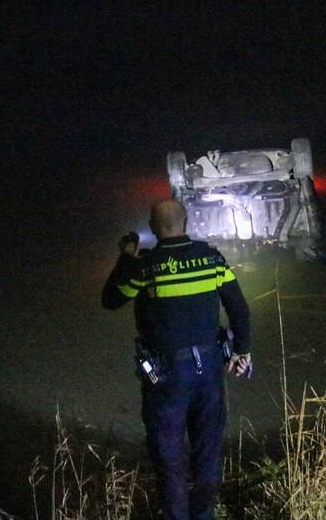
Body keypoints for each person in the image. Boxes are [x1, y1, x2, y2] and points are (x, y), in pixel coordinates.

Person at [102, 199, 251, 520]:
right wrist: (242, 351)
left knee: (169, 457)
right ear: (186, 222)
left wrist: (125, 257)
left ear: (154, 227)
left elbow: (111, 300)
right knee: (207, 451)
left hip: (166, 377)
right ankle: (204, 515)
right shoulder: (211, 258)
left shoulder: (148, 267)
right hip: (210, 370)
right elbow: (239, 308)